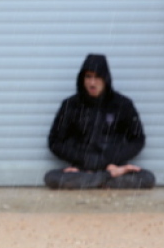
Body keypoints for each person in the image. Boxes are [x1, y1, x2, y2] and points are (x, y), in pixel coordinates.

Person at [45, 53, 155, 190]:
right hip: (83, 168)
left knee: (147, 178)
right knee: (51, 178)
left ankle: (92, 181)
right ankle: (104, 180)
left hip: (113, 166)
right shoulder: (70, 105)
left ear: (106, 79)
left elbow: (138, 139)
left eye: (97, 77)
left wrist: (111, 159)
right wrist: (84, 159)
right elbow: (55, 141)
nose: (92, 83)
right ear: (82, 79)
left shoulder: (122, 104)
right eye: (88, 77)